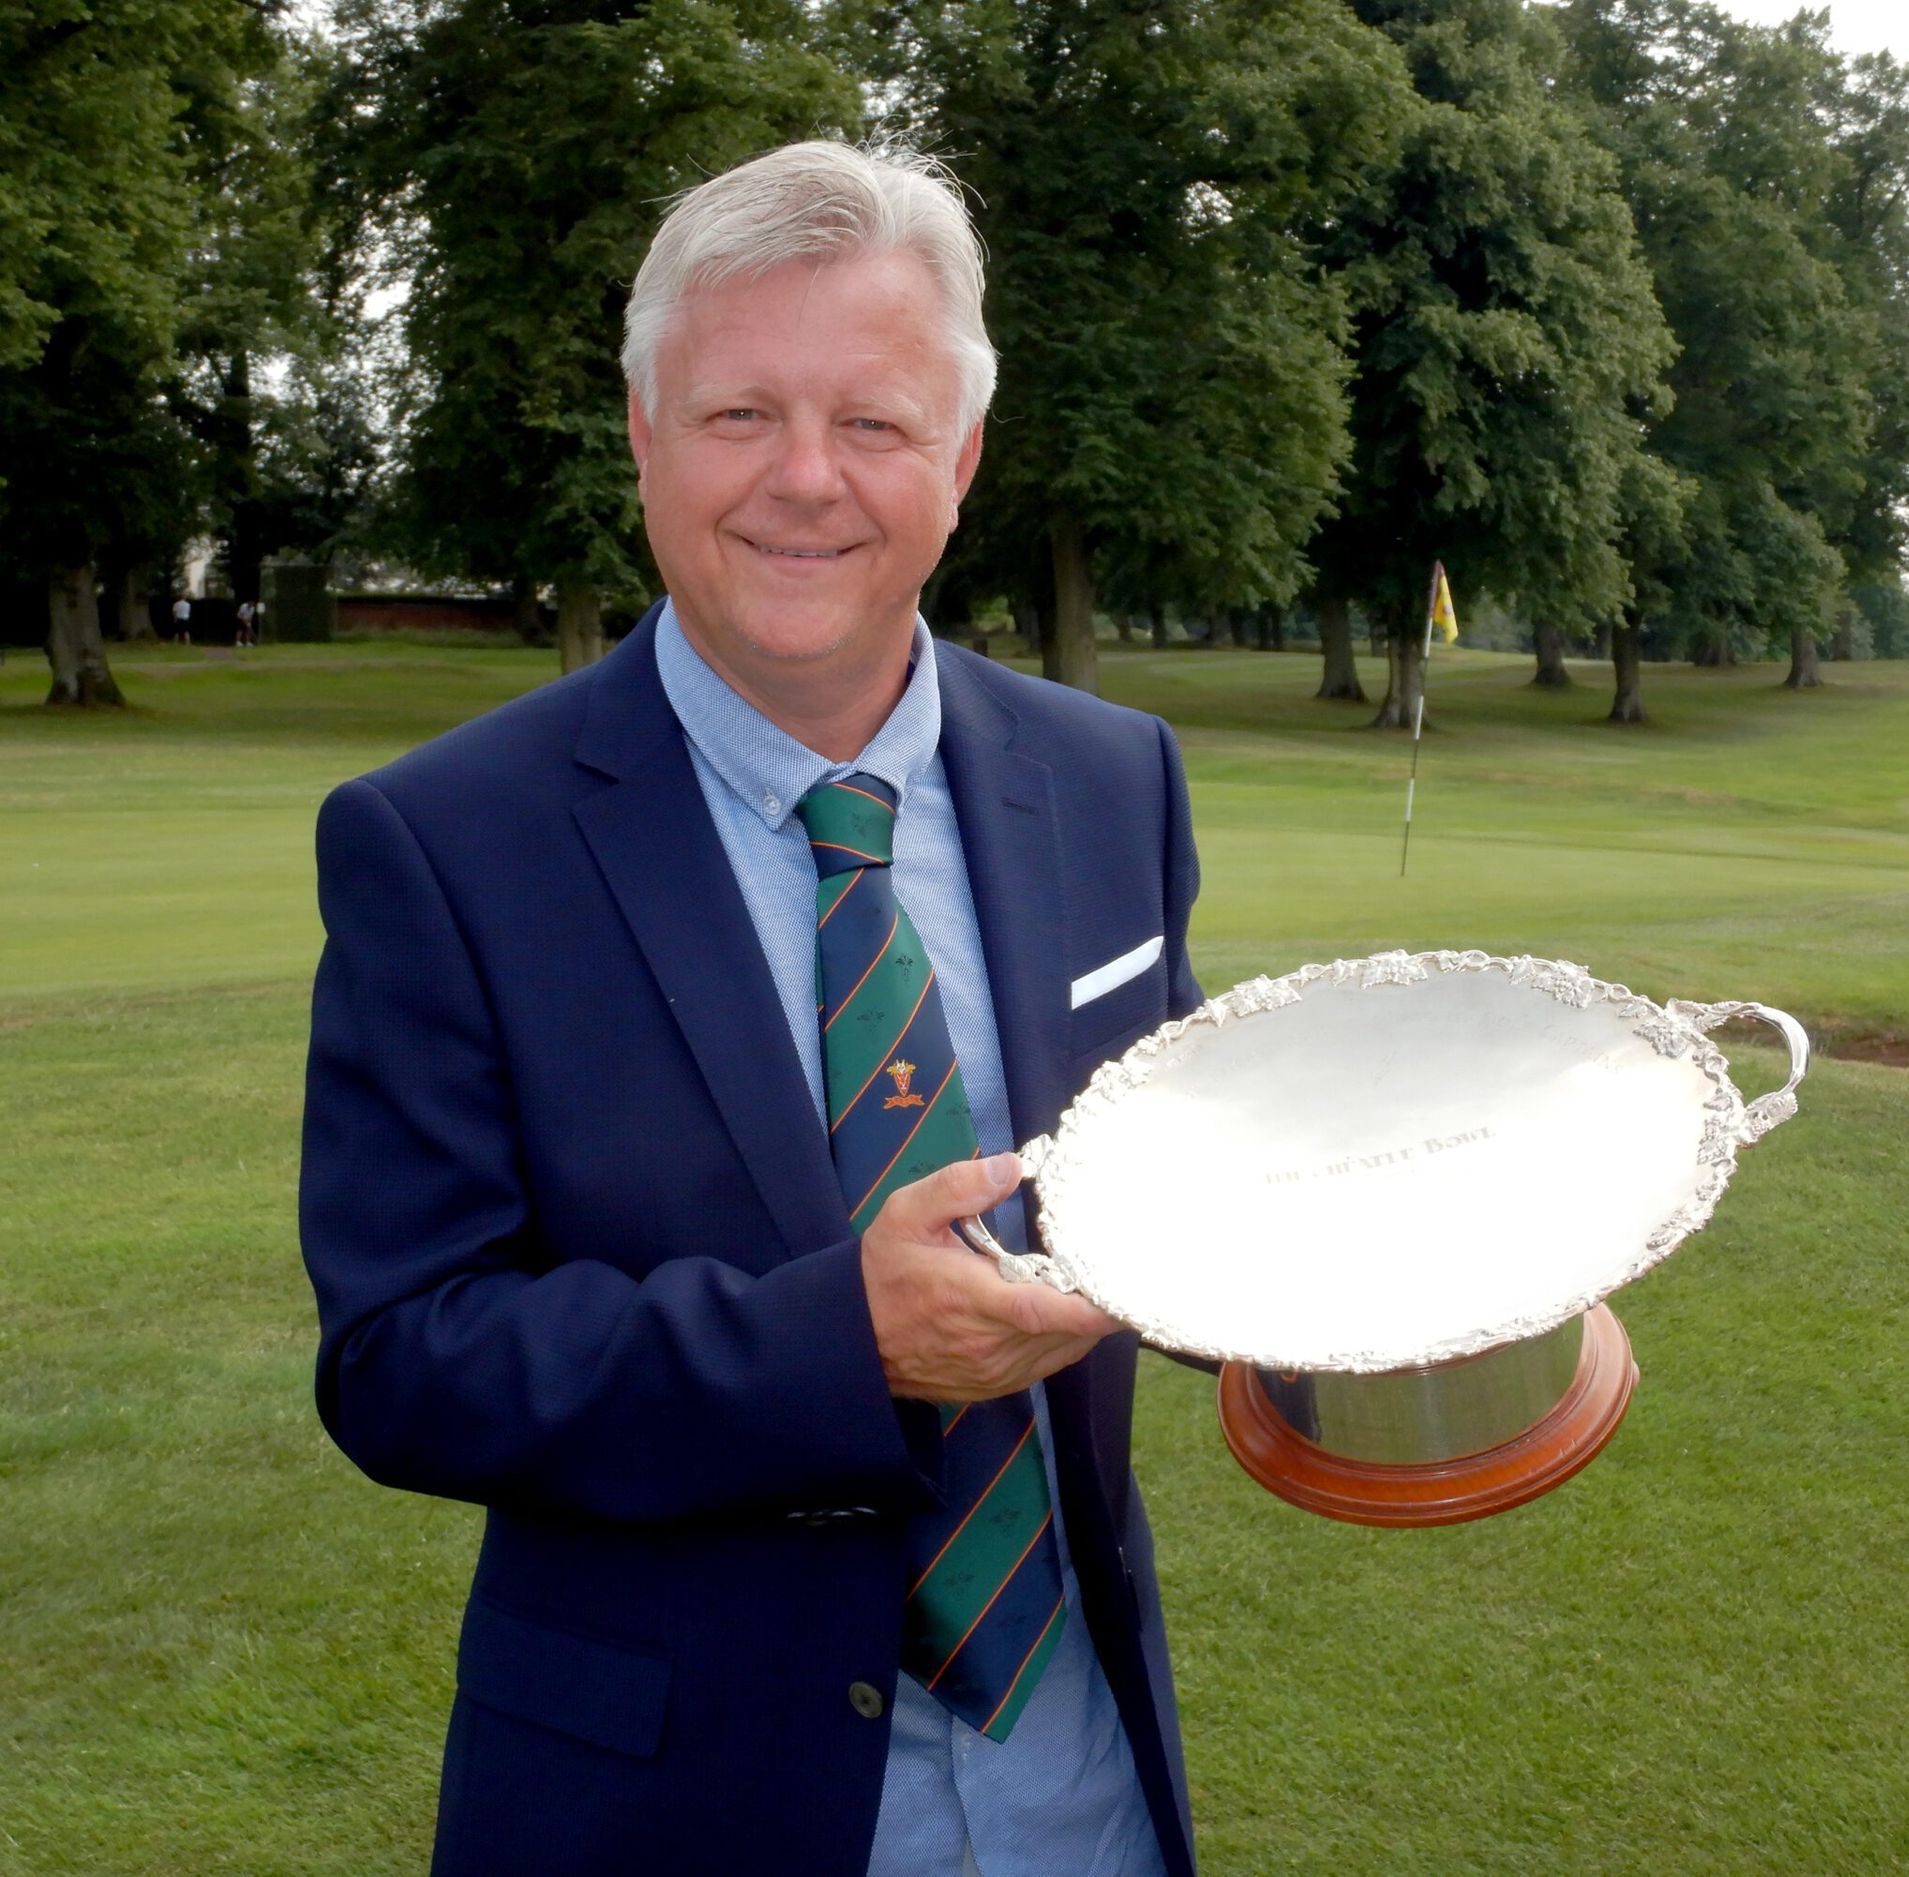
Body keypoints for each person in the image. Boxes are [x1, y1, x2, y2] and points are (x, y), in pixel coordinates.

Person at [300, 140, 1204, 1877]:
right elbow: (400, 1359)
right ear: (643, 436)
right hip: (672, 1808)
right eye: (737, 416)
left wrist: (1408, 1297)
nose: (806, 480)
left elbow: (1172, 1173)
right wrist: (837, 1345)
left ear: (962, 456)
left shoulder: (1111, 779)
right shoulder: (442, 841)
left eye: (872, 421)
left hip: (1079, 1785)